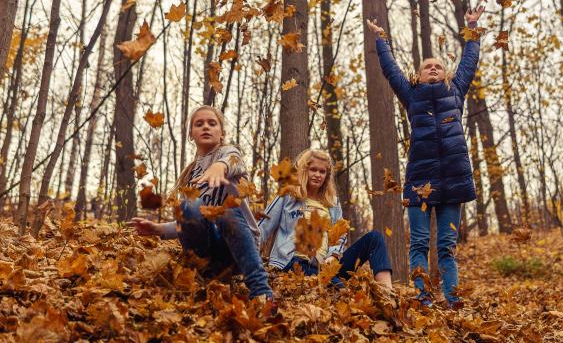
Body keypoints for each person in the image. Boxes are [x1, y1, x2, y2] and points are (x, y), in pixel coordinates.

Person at [366, 5, 485, 308]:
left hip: (454, 181)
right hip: (420, 181)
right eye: (427, 66)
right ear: (417, 76)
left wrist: (472, 27)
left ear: (446, 75)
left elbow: (469, 62)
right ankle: (423, 299)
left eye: (438, 66)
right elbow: (390, 70)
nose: (433, 68)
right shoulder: (411, 95)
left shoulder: (455, 92)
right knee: (419, 243)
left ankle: (453, 299)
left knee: (446, 247)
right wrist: (382, 40)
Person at [127, 105, 273, 301]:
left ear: (221, 134)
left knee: (224, 212)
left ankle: (261, 291)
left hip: (240, 249)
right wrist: (157, 229)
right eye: (199, 124)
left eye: (212, 123)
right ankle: (206, 275)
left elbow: (234, 159)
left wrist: (220, 167)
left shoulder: (228, 154)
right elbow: (190, 218)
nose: (206, 127)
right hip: (209, 251)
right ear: (191, 134)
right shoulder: (191, 174)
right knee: (187, 206)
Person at [258, 149, 393, 289]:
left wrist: (333, 255)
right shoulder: (288, 196)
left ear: (327, 176)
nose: (317, 175)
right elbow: (262, 227)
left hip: (326, 267)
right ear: (304, 170)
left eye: (322, 172)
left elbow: (339, 237)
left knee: (374, 238)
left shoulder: (332, 203)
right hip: (294, 263)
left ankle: (387, 295)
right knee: (341, 291)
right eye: (313, 170)